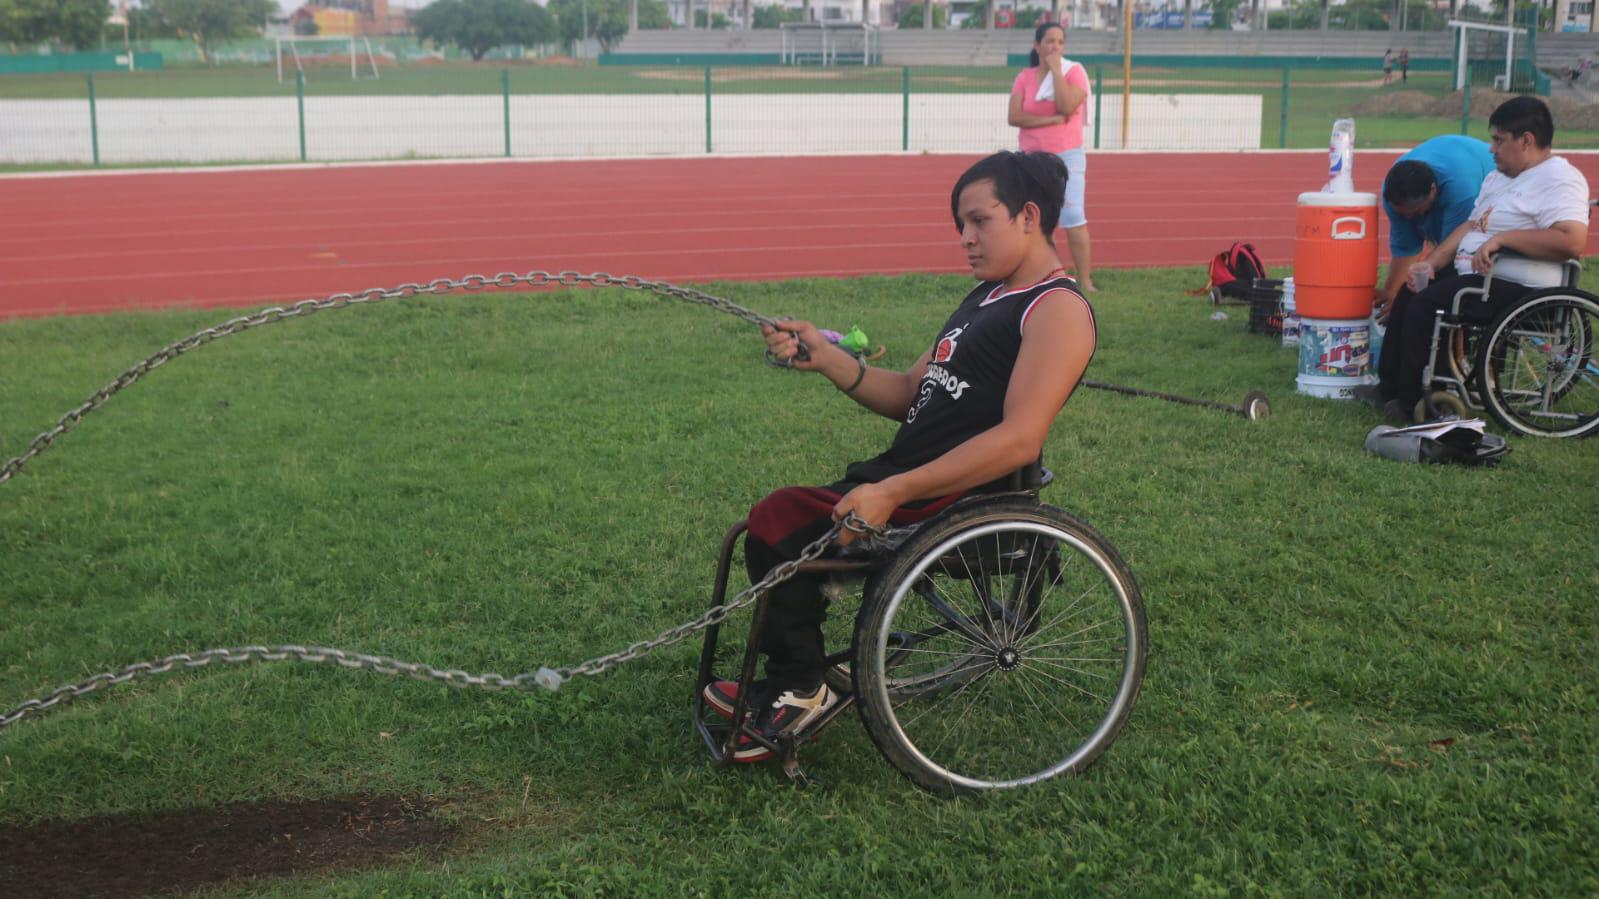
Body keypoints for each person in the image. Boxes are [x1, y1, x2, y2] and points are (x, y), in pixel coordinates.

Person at [702, 151, 1096, 762]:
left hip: (950, 499)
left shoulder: (1058, 310)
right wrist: (827, 357)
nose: (965, 238)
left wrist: (895, 492)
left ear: (1027, 216)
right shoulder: (986, 297)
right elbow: (913, 394)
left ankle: (800, 689)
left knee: (782, 521)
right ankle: (790, 680)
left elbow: (1020, 438)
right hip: (907, 481)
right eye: (959, 224)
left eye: (978, 221)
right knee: (777, 521)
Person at [1367, 97, 1590, 422]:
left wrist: (1502, 239)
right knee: (1410, 293)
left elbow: (1571, 240)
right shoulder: (1498, 179)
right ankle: (1389, 387)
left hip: (1520, 286)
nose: (1491, 149)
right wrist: (1433, 263)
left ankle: (1417, 401)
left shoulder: (1559, 179)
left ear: (1526, 140)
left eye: (1499, 140)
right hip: (1480, 276)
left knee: (1428, 305)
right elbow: (1471, 226)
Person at [1008, 22, 1097, 292]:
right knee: (1036, 221)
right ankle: (1044, 277)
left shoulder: (1074, 73)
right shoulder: (1025, 77)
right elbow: (1014, 116)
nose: (1055, 46)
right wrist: (1052, 119)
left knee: (1073, 218)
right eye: (1049, 41)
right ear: (1038, 46)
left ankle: (1085, 281)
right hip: (1032, 159)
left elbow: (1067, 105)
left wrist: (1057, 71)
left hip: (1068, 155)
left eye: (1059, 42)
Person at [1372, 134, 1495, 328]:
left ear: (1432, 190)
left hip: (1479, 179)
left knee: (1444, 281)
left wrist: (1407, 300)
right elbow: (1405, 248)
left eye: (1416, 212)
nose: (1410, 219)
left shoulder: (1461, 190)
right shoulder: (1393, 195)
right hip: (1452, 163)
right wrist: (1390, 293)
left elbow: (1447, 253)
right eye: (1403, 215)